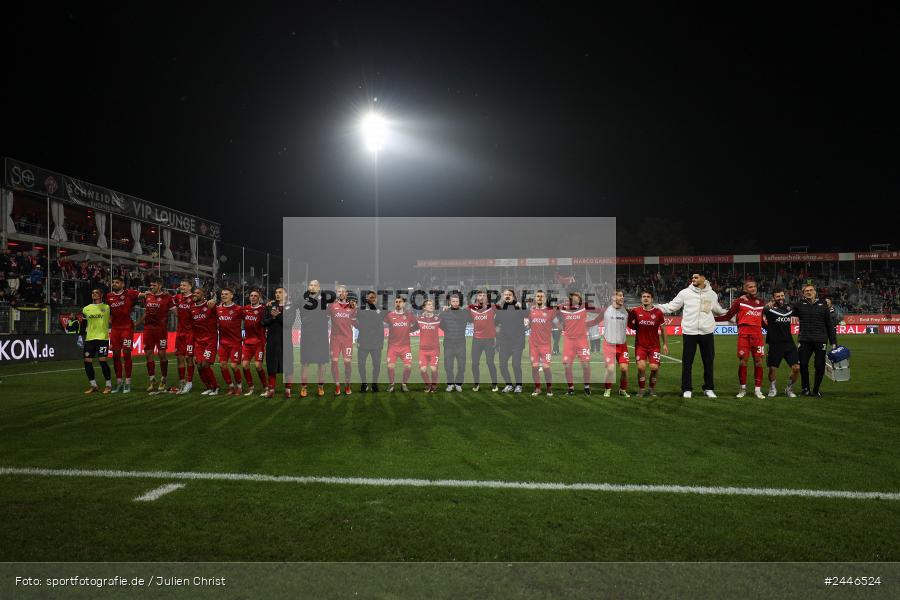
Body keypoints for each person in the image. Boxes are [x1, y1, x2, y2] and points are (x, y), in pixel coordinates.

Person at [657, 272, 728, 398]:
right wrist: (654, 307)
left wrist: (736, 315)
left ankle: (709, 388)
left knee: (708, 362)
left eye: (696, 277)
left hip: (707, 332)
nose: (693, 279)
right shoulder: (685, 293)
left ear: (703, 278)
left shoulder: (712, 294)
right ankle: (686, 389)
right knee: (687, 362)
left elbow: (718, 310)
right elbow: (671, 307)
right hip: (690, 332)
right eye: (692, 277)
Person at [715, 279, 766, 399]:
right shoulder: (739, 302)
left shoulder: (761, 302)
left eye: (754, 286)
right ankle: (742, 389)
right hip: (743, 336)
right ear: (745, 289)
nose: (753, 288)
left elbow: (762, 322)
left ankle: (757, 390)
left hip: (758, 336)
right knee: (743, 361)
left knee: (758, 362)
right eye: (750, 287)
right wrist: (713, 319)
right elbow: (728, 316)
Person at [790, 284, 838, 397]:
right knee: (803, 365)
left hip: (820, 340)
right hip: (804, 340)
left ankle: (816, 390)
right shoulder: (798, 305)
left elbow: (829, 325)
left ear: (815, 292)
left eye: (811, 290)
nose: (809, 292)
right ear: (803, 293)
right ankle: (805, 388)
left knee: (819, 366)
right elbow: (786, 312)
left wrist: (834, 342)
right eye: (806, 291)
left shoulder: (823, 305)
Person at [136, 277, 174, 394]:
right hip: (148, 329)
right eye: (150, 286)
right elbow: (146, 312)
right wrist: (137, 323)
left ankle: (163, 379)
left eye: (154, 285)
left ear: (160, 285)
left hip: (161, 330)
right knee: (148, 353)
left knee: (162, 354)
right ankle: (152, 379)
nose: (151, 287)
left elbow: (175, 311)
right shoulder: (148, 296)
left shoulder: (167, 298)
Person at [558, 291, 601, 395]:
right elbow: (551, 314)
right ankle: (571, 388)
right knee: (567, 365)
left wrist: (592, 322)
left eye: (577, 296)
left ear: (580, 298)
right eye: (573, 296)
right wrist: (558, 325)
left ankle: (586, 387)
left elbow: (600, 311)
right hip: (568, 341)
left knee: (586, 365)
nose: (575, 298)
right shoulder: (563, 307)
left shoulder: (584, 306)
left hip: (582, 341)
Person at [628, 290, 668, 398]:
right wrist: (634, 325)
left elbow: (663, 328)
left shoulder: (658, 313)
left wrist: (665, 344)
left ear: (652, 299)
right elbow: (630, 325)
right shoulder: (635, 311)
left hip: (654, 346)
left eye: (648, 296)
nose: (646, 298)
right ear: (641, 298)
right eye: (644, 296)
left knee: (654, 368)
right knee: (641, 368)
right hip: (640, 345)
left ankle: (651, 388)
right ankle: (641, 389)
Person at [762, 288, 800, 397]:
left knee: (796, 368)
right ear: (773, 297)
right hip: (774, 343)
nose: (780, 298)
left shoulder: (789, 308)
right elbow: (759, 315)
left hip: (789, 343)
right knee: (772, 369)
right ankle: (772, 388)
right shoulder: (769, 308)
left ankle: (789, 388)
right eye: (778, 296)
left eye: (782, 295)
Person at [105, 276, 140, 393]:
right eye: (113, 282)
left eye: (117, 282)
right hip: (115, 329)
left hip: (127, 328)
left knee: (126, 353)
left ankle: (128, 382)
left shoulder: (129, 293)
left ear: (122, 284)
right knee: (115, 355)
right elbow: (108, 311)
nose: (114, 284)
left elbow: (144, 295)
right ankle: (119, 382)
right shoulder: (109, 296)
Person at [261, 287, 297, 398]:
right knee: (271, 365)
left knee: (287, 365)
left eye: (280, 292)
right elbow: (263, 323)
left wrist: (278, 315)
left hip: (285, 341)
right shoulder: (269, 306)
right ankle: (271, 390)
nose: (277, 294)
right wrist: (272, 317)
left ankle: (288, 389)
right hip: (272, 340)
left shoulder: (291, 308)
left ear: (286, 294)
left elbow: (289, 323)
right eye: (276, 292)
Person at [299, 279, 329, 397]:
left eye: (315, 285)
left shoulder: (325, 300)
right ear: (308, 287)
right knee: (305, 362)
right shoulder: (302, 299)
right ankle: (304, 387)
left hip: (321, 335)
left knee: (322, 362)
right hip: (307, 335)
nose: (312, 287)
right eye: (310, 285)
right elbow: (289, 305)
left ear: (319, 287)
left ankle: (320, 387)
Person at [81, 288, 113, 394]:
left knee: (102, 361)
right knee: (87, 361)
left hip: (102, 338)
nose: (94, 294)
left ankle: (108, 385)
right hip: (90, 338)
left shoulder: (107, 307)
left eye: (96, 293)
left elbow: (112, 320)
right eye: (93, 293)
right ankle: (93, 385)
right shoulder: (86, 309)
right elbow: (84, 323)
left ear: (101, 295)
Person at [383, 296, 418, 392]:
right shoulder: (389, 315)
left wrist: (410, 330)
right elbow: (378, 322)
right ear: (394, 304)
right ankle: (391, 384)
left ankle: (404, 384)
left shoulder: (409, 315)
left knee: (408, 366)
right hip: (392, 347)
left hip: (405, 347)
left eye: (400, 302)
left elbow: (417, 325)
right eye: (396, 302)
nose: (398, 303)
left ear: (404, 304)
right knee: (390, 366)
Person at [600, 289, 630, 398]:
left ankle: (622, 389)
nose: (622, 297)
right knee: (611, 369)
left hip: (622, 345)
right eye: (619, 296)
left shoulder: (626, 311)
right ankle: (607, 389)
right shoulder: (606, 310)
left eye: (623, 295)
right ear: (613, 297)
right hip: (609, 345)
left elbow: (633, 324)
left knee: (624, 369)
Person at [327, 285, 357, 395]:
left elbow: (355, 323)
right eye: (338, 291)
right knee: (334, 362)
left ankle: (347, 385)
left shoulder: (352, 307)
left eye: (343, 291)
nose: (341, 293)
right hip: (335, 339)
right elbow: (323, 316)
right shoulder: (331, 306)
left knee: (347, 363)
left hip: (347, 339)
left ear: (346, 293)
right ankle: (337, 385)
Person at [494, 288, 526, 393]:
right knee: (502, 365)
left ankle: (518, 385)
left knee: (516, 365)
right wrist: (497, 340)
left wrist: (521, 307)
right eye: (505, 294)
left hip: (517, 342)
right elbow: (496, 325)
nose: (507, 296)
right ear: (503, 296)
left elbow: (528, 315)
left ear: (513, 296)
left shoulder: (519, 307)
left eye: (509, 294)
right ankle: (509, 384)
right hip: (504, 343)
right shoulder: (500, 310)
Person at [440, 292, 472, 392]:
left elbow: (473, 319)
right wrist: (448, 331)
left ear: (459, 302)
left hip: (461, 344)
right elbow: (439, 324)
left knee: (461, 366)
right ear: (450, 302)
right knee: (448, 366)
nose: (455, 303)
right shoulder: (444, 313)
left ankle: (458, 384)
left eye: (457, 301)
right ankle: (450, 384)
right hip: (448, 344)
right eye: (453, 301)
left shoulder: (464, 313)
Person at [190, 287, 220, 395]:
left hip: (210, 340)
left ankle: (215, 387)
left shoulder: (210, 305)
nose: (195, 294)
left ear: (203, 295)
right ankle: (208, 387)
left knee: (205, 364)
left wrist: (215, 304)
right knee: (198, 365)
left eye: (198, 293)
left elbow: (219, 316)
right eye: (194, 293)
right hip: (198, 341)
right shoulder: (192, 308)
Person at [468, 290, 499, 392]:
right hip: (476, 340)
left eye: (484, 295)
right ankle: (476, 384)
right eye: (480, 295)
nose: (481, 297)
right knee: (474, 364)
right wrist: (448, 308)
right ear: (477, 297)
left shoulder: (492, 307)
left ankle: (494, 384)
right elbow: (457, 312)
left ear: (487, 298)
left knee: (490, 363)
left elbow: (506, 308)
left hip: (489, 340)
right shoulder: (471, 308)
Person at [217, 288, 245, 395]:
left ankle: (239, 386)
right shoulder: (218, 309)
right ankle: (231, 386)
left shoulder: (238, 309)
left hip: (235, 343)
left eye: (226, 294)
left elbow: (248, 318)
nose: (223, 295)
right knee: (222, 365)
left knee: (233, 366)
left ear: (232, 296)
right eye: (222, 294)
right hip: (223, 343)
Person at [526, 289, 554, 396]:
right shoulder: (531, 311)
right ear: (535, 298)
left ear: (545, 298)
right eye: (538, 296)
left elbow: (556, 323)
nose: (540, 298)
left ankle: (549, 388)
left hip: (545, 345)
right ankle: (537, 388)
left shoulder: (550, 312)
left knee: (546, 368)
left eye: (541, 296)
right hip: (533, 344)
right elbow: (528, 325)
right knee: (535, 367)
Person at [356, 290, 385, 393]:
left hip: (377, 343)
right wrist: (360, 328)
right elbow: (351, 319)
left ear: (376, 299)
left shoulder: (382, 309)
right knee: (361, 364)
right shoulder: (360, 310)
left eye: (374, 297)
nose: (372, 299)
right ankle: (364, 384)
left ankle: (374, 384)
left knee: (376, 365)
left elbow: (392, 319)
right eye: (370, 297)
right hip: (363, 342)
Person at [242, 290, 268, 397]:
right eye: (251, 296)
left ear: (259, 297)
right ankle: (251, 388)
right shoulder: (245, 309)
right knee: (244, 366)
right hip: (247, 342)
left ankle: (266, 387)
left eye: (255, 296)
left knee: (258, 366)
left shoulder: (263, 309)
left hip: (259, 343)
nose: (253, 297)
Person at [173, 280, 196, 394]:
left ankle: (189, 383)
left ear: (190, 287)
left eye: (184, 285)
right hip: (180, 332)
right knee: (179, 358)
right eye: (181, 285)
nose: (181, 287)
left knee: (188, 358)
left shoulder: (195, 298)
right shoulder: (177, 297)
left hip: (190, 333)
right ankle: (182, 382)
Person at [416, 299, 441, 392]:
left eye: (432, 304)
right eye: (429, 304)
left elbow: (447, 327)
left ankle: (434, 385)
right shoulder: (419, 319)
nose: (431, 306)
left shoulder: (438, 319)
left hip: (434, 350)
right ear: (424, 307)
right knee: (423, 369)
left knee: (433, 369)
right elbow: (411, 328)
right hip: (423, 350)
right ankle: (427, 384)